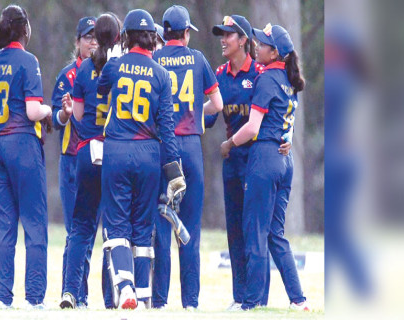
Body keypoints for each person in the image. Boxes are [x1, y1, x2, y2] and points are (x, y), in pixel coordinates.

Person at [96, 9, 185, 310]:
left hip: (118, 150)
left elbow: (100, 87)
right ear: (152, 39)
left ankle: (125, 288)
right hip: (149, 153)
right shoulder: (162, 75)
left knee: (117, 226)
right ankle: (144, 299)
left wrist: (113, 54)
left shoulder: (116, 66)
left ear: (126, 37)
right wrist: (174, 172)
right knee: (142, 229)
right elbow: (168, 130)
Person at [206, 15, 293, 311]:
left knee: (255, 230)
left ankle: (258, 300)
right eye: (221, 34)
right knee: (235, 230)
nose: (223, 39)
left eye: (228, 35)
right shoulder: (219, 73)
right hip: (232, 160)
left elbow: (283, 104)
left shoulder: (260, 71)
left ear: (243, 40)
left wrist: (287, 135)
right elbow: (208, 115)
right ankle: (240, 295)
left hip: (257, 159)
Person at [220, 23, 308, 311]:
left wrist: (230, 143)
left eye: (264, 43)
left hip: (264, 158)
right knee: (274, 233)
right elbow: (288, 127)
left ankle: (252, 302)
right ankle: (298, 299)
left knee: (254, 231)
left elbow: (253, 127)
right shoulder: (288, 79)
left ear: (275, 53)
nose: (258, 45)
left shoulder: (268, 78)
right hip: (285, 161)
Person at [151, 5, 223, 310]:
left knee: (162, 224)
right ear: (184, 33)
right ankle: (190, 303)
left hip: (163, 148)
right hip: (191, 147)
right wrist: (195, 111)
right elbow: (217, 104)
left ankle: (159, 301)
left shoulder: (154, 59)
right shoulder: (198, 59)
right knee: (190, 225)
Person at [0, 4, 52, 309]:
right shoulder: (28, 60)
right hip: (22, 143)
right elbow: (33, 111)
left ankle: (2, 299)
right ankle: (35, 299)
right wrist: (50, 111)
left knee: (4, 224)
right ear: (25, 30)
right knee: (35, 223)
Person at [59, 12, 121, 309]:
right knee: (115, 228)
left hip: (86, 151)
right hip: (116, 152)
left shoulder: (83, 69)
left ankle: (70, 290)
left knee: (81, 226)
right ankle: (112, 297)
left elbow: (79, 115)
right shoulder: (123, 67)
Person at [51, 16, 97, 308]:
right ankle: (72, 292)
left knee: (90, 232)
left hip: (97, 160)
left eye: (96, 37)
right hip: (71, 160)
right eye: (87, 37)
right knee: (75, 231)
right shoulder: (68, 75)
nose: (93, 42)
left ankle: (82, 293)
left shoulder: (106, 71)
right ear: (77, 41)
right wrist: (66, 113)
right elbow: (54, 120)